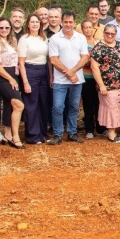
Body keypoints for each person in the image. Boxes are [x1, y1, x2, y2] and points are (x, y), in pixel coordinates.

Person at [47, 11, 89, 145]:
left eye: (71, 22)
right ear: (61, 22)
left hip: (77, 80)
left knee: (74, 107)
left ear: (74, 23)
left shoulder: (81, 38)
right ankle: (58, 134)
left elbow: (85, 57)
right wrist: (69, 73)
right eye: (66, 22)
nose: (68, 24)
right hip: (60, 80)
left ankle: (72, 133)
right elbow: (53, 59)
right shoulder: (55, 38)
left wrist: (73, 71)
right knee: (58, 107)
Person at [0, 17, 25, 149]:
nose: (4, 30)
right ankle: (16, 137)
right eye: (1, 27)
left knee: (9, 105)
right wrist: (10, 79)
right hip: (2, 76)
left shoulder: (10, 41)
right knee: (19, 105)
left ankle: (7, 135)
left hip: (12, 74)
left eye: (7, 28)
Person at [90, 24, 120, 143]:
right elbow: (94, 67)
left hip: (119, 84)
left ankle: (113, 131)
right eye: (107, 33)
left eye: (112, 33)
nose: (110, 35)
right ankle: (111, 134)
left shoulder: (118, 45)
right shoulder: (99, 48)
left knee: (115, 107)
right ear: (104, 33)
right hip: (107, 84)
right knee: (111, 108)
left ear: (116, 34)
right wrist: (101, 85)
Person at [18, 13, 49, 144]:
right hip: (30, 71)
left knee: (43, 103)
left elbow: (47, 58)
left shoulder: (44, 38)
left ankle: (43, 134)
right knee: (31, 104)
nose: (35, 24)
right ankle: (32, 135)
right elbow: (21, 63)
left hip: (44, 71)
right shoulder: (24, 39)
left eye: (37, 22)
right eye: (32, 22)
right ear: (28, 24)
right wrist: (25, 82)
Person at [79, 20, 101, 139]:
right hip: (85, 77)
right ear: (82, 30)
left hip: (97, 78)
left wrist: (92, 61)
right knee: (88, 104)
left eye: (90, 27)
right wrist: (89, 61)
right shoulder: (79, 43)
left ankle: (100, 128)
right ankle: (89, 129)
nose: (88, 30)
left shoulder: (98, 43)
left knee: (99, 103)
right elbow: (79, 60)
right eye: (85, 28)